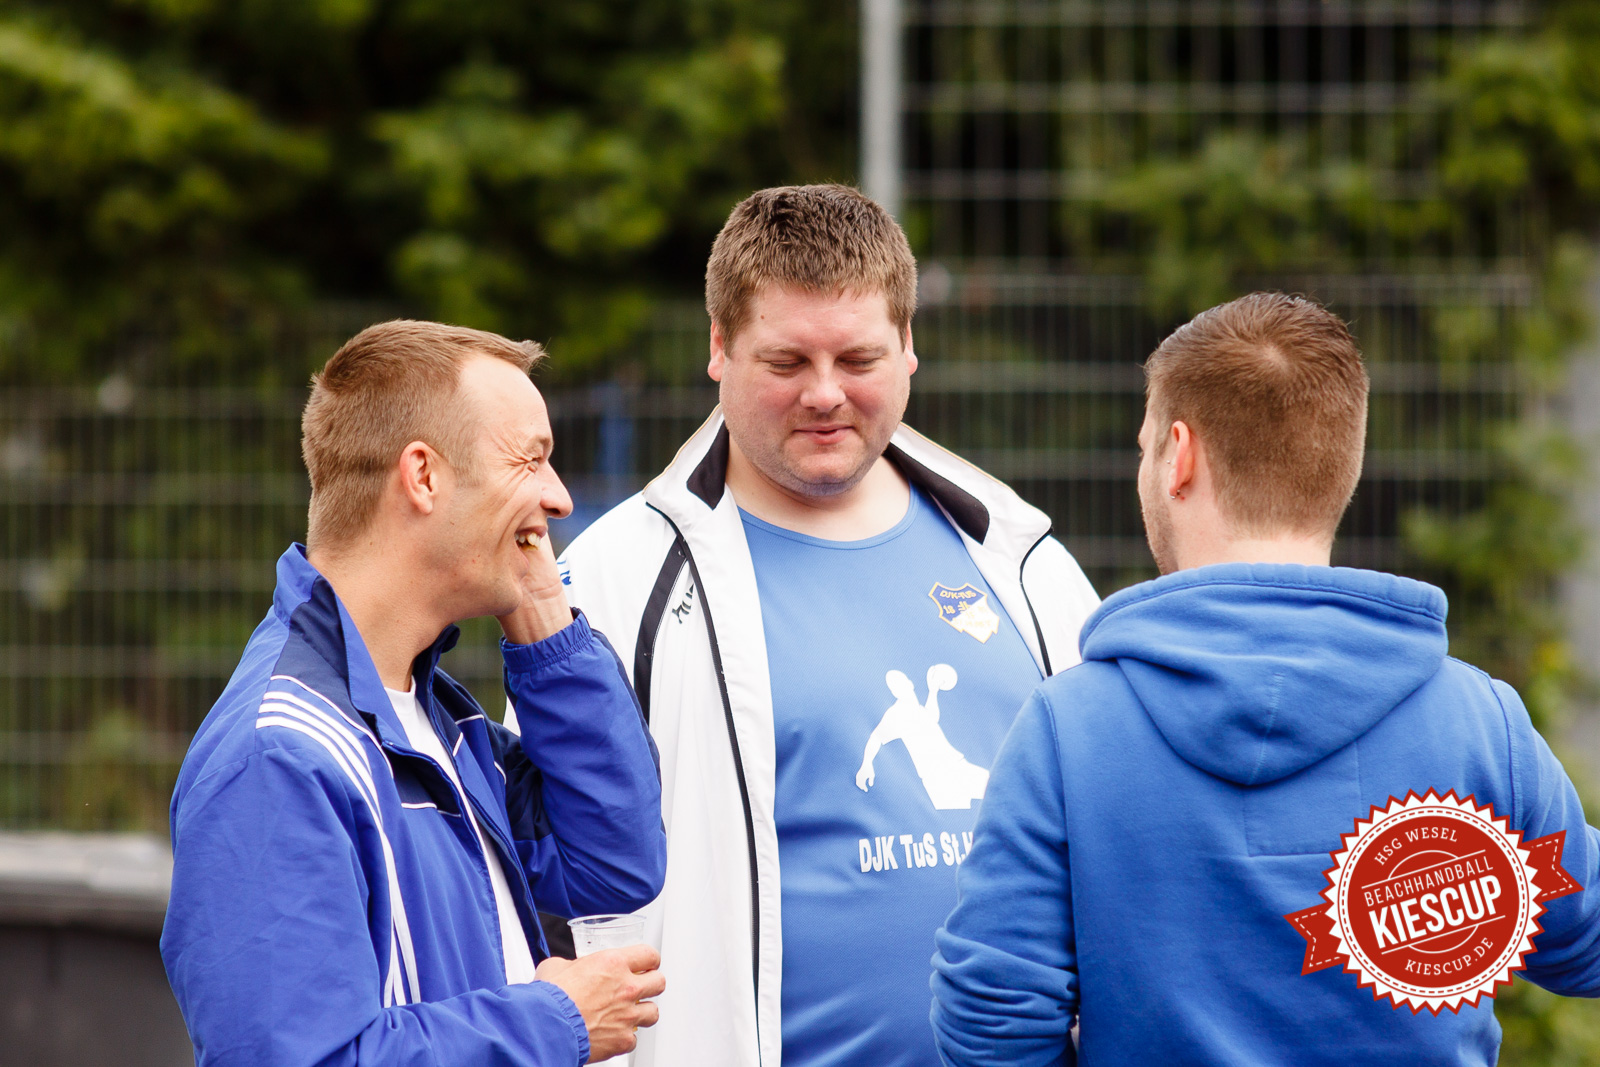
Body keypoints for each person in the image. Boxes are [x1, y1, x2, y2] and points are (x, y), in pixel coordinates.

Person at [930, 293, 1600, 1065]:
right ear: (1341, 463)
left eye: (1145, 447)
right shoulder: (1477, 723)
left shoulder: (1068, 731)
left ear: (1179, 456)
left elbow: (991, 1023)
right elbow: (1583, 945)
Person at [539, 184, 1100, 1067]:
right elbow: (543, 887)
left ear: (908, 346)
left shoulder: (1025, 562)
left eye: (858, 357)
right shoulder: (614, 583)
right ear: (718, 347)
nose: (825, 393)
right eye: (787, 361)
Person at [161, 321, 668, 1066]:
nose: (558, 498)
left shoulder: (437, 721)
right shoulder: (278, 757)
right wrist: (554, 1021)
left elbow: (613, 862)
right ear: (424, 476)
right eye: (530, 460)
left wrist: (542, 615)